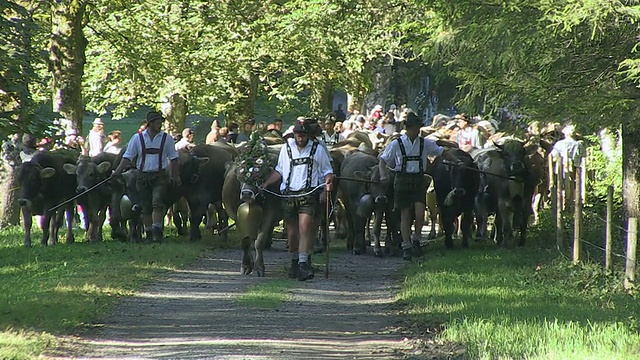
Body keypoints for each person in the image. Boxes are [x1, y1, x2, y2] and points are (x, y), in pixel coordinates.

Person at [379, 111, 463, 260]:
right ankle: (406, 245)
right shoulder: (396, 144)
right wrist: (384, 174)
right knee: (405, 214)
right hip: (402, 180)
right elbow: (383, 161)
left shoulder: (424, 143)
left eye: (418, 127)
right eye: (415, 127)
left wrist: (457, 161)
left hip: (418, 179)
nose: (417, 130)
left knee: (419, 213)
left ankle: (416, 239)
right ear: (408, 128)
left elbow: (442, 152)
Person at [261, 121, 334, 281]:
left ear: (308, 135)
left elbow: (327, 170)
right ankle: (295, 261)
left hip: (308, 194)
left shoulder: (318, 150)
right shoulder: (286, 149)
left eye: (303, 134)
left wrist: (327, 183)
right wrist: (266, 183)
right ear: (293, 134)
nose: (300, 137)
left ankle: (303, 264)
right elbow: (280, 170)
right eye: (298, 134)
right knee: (292, 233)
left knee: (305, 228)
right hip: (288, 195)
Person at [111, 111, 181, 243]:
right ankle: (149, 233)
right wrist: (117, 172)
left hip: (160, 175)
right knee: (145, 206)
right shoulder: (137, 138)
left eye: (161, 121)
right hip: (142, 176)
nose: (160, 124)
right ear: (150, 124)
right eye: (157, 121)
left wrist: (175, 175)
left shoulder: (167, 138)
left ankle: (156, 233)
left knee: (157, 203)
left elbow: (174, 158)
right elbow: (128, 157)